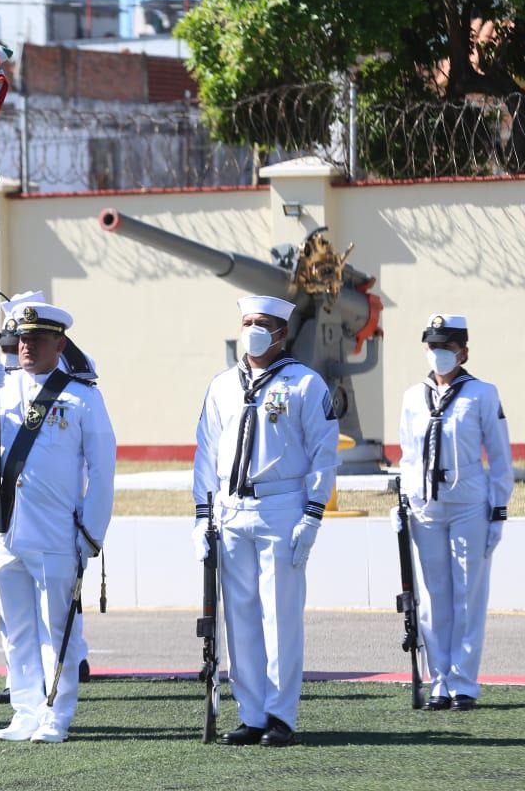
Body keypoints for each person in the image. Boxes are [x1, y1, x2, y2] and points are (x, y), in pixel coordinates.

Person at [0, 300, 115, 743]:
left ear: (59, 344)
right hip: (6, 528)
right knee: (17, 629)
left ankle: (55, 715)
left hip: (58, 531)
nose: (26, 347)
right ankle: (24, 710)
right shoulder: (0, 387)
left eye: (37, 339)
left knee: (56, 629)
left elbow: (102, 470)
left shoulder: (82, 396)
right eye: (21, 339)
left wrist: (91, 534)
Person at [192, 296, 338, 747]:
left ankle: (280, 715)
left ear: (282, 333)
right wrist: (202, 515)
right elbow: (206, 453)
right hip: (232, 510)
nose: (252, 329)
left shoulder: (305, 384)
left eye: (262, 323)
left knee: (280, 615)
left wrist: (313, 515)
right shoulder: (221, 386)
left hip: (282, 507)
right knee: (240, 617)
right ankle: (250, 713)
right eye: (247, 322)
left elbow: (324, 454)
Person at [394, 313, 512, 711]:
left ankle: (463, 682)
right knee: (432, 597)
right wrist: (406, 498)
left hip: (467, 506)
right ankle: (438, 680)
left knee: (467, 594)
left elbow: (498, 456)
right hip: (427, 508)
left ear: (463, 351)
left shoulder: (482, 394)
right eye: (433, 346)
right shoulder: (413, 396)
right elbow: (409, 455)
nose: (439, 354)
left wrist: (498, 509)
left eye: (446, 347)